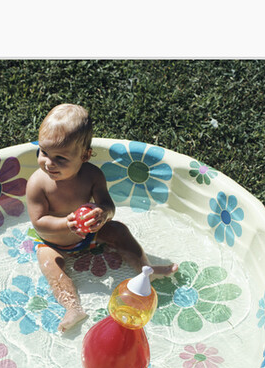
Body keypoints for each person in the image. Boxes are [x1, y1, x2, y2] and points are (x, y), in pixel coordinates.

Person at [25, 103, 178, 332]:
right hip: (53, 241)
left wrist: (103, 214)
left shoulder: (92, 176)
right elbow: (39, 223)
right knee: (49, 264)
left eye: (61, 158)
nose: (49, 163)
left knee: (119, 230)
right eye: (44, 152)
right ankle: (72, 307)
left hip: (89, 235)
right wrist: (67, 223)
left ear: (85, 156)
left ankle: (146, 269)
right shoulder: (37, 184)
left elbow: (108, 205)